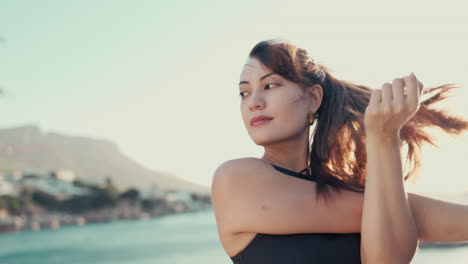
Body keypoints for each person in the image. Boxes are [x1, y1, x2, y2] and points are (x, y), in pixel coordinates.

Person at [211, 39, 468, 264]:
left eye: (270, 86)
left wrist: (384, 138)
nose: (253, 102)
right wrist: (382, 136)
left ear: (313, 98)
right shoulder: (235, 181)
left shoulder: (351, 190)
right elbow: (393, 227)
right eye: (244, 93)